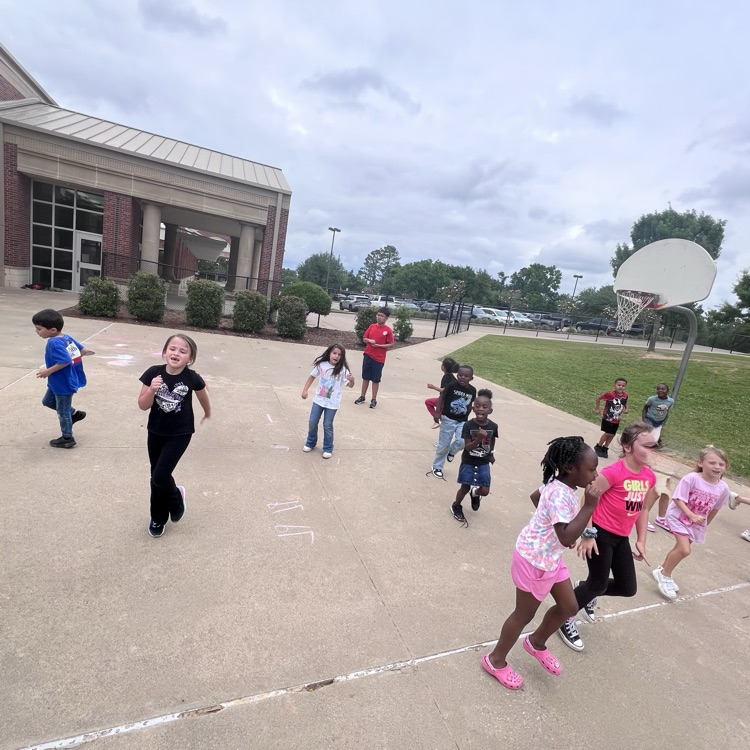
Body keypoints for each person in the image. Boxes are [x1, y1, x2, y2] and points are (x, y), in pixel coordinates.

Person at [482, 436, 600, 690]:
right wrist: (589, 507)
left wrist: (550, 527)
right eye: (591, 469)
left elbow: (536, 497)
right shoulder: (560, 493)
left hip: (551, 557)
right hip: (533, 560)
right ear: (571, 468)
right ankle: (495, 660)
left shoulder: (558, 484)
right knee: (524, 614)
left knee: (569, 605)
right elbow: (567, 534)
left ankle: (536, 642)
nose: (595, 474)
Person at [558, 421, 656, 651]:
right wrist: (588, 534)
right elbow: (587, 499)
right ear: (628, 447)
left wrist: (641, 539)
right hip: (600, 533)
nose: (652, 450)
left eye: (655, 445)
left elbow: (643, 509)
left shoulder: (649, 476)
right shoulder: (613, 472)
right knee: (598, 582)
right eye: (647, 445)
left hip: (621, 537)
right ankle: (565, 617)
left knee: (627, 587)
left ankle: (585, 589)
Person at [138, 334, 211, 538]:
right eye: (172, 348)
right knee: (156, 478)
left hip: (180, 434)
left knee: (160, 476)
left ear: (190, 358)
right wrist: (152, 389)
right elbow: (142, 405)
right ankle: (157, 518)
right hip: (155, 432)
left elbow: (203, 393)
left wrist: (207, 411)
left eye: (182, 350)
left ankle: (175, 498)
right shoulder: (153, 373)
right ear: (164, 352)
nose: (176, 353)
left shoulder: (191, 377)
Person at [651, 446, 730, 599]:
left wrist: (704, 525)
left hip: (696, 523)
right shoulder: (692, 478)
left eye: (721, 464)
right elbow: (678, 499)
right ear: (700, 463)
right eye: (712, 463)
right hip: (679, 517)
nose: (717, 467)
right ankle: (665, 575)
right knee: (684, 550)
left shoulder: (723, 488)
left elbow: (715, 508)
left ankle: (661, 569)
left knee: (678, 549)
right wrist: (691, 515)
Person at [32, 308, 92, 449]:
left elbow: (64, 360)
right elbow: (82, 351)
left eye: (39, 329)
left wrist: (48, 371)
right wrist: (72, 367)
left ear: (52, 330)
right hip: (57, 382)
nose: (37, 332)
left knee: (62, 412)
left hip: (63, 384)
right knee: (47, 401)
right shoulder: (66, 338)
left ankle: (67, 438)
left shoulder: (53, 342)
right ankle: (74, 414)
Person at [450, 389, 498, 526]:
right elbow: (467, 447)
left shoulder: (493, 426)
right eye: (477, 406)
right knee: (464, 487)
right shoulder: (468, 425)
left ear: (490, 410)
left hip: (484, 462)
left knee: (485, 491)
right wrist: (478, 439)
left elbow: (492, 441)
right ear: (472, 408)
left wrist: (492, 454)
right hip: (469, 461)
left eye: (485, 407)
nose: (481, 409)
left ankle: (475, 493)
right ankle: (456, 505)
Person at [301, 343, 355, 458]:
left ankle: (328, 448)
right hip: (319, 400)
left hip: (332, 403)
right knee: (312, 422)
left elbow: (350, 385)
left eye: (339, 355)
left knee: (327, 425)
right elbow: (311, 376)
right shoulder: (322, 365)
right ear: (329, 353)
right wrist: (305, 390)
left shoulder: (343, 370)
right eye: (334, 353)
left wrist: (351, 380)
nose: (336, 356)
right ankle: (310, 442)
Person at [428, 364, 477, 479]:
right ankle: (437, 466)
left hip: (462, 421)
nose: (462, 377)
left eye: (466, 376)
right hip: (448, 419)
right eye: (460, 375)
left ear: (471, 378)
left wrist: (468, 418)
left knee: (463, 441)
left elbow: (469, 404)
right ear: (457, 375)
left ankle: (451, 451)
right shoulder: (451, 386)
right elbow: (441, 398)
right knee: (443, 444)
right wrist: (437, 412)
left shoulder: (472, 390)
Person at [354, 308, 394, 409]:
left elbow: (391, 344)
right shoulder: (372, 326)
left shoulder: (388, 330)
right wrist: (369, 340)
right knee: (365, 377)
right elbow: (364, 338)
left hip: (379, 358)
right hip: (368, 355)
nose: (379, 317)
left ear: (386, 318)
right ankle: (362, 396)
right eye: (378, 315)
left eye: (381, 316)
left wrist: (379, 346)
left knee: (375, 379)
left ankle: (373, 399)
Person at [594, 377, 628, 458]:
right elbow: (599, 398)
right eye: (619, 385)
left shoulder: (625, 395)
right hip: (608, 417)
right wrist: (597, 408)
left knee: (612, 434)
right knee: (607, 433)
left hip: (617, 419)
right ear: (614, 385)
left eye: (623, 386)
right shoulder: (610, 394)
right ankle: (598, 446)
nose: (621, 387)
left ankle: (605, 447)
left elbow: (625, 403)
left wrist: (626, 409)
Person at [425, 357, 459, 427]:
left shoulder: (446, 377)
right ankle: (440, 419)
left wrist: (433, 387)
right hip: (452, 402)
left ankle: (437, 420)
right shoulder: (453, 378)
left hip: (444, 401)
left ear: (443, 367)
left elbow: (445, 389)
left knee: (428, 402)